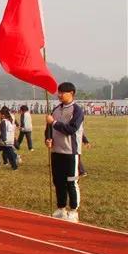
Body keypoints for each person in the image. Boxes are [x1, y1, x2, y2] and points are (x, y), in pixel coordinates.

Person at [45, 82, 84, 222]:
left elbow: (71, 129)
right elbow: (48, 128)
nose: (59, 95)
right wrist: (48, 138)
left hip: (71, 152)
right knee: (58, 181)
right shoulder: (55, 109)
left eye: (63, 92)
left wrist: (54, 123)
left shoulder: (77, 110)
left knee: (71, 182)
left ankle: (74, 210)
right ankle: (61, 208)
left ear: (72, 93)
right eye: (59, 92)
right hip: (56, 152)